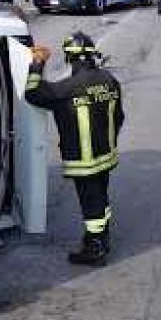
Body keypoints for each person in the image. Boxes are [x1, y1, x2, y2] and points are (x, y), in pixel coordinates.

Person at [25, 32, 126, 266]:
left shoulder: (68, 88)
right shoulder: (110, 80)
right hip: (106, 156)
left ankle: (95, 247)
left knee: (91, 203)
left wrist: (37, 64)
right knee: (100, 197)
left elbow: (33, 93)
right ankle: (102, 238)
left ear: (70, 59)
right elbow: (119, 116)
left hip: (84, 161)